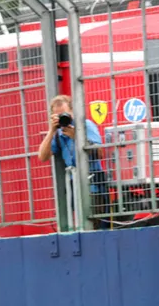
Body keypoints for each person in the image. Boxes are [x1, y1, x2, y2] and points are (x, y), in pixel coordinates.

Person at [37, 95, 107, 228]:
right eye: (58, 116)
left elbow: (100, 153)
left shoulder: (85, 125)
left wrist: (77, 137)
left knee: (96, 225)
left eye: (65, 114)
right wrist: (52, 130)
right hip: (74, 187)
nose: (63, 119)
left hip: (93, 186)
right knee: (80, 225)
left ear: (72, 112)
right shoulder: (58, 133)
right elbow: (42, 156)